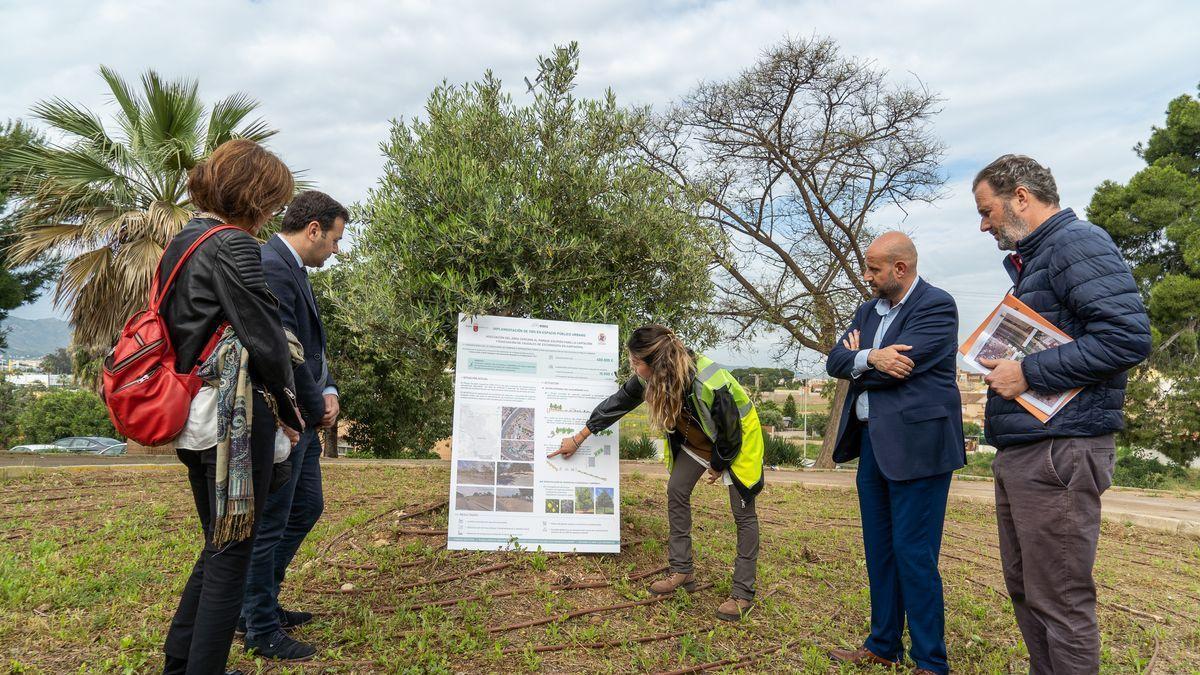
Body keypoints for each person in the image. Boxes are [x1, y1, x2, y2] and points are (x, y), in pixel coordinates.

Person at [972, 155, 1151, 674]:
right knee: (1028, 590)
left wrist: (1028, 372)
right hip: (1032, 449)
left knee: (1061, 601)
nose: (984, 225)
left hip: (1061, 451)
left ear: (1021, 196)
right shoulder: (1041, 260)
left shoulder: (1077, 244)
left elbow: (1127, 337)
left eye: (987, 211)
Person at [161, 139, 305, 675]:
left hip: (192, 413)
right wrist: (291, 417)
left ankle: (181, 663)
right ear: (255, 194)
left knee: (217, 547)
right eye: (273, 198)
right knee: (232, 557)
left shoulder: (184, 241)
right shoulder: (233, 246)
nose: (273, 210)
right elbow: (267, 340)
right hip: (233, 420)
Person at [550, 325, 764, 621]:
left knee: (743, 514)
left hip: (738, 438)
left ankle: (742, 593)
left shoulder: (706, 381)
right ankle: (682, 572)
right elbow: (620, 402)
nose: (633, 368)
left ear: (657, 362)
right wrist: (579, 437)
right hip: (699, 438)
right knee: (676, 489)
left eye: (636, 362)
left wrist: (718, 463)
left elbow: (730, 430)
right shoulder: (650, 377)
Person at [825, 231, 965, 675]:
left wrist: (861, 362)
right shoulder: (866, 311)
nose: (865, 277)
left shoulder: (936, 306)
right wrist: (873, 358)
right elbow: (834, 361)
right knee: (880, 551)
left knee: (914, 555)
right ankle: (883, 645)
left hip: (919, 450)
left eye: (873, 269)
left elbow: (904, 367)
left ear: (899, 269)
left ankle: (930, 661)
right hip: (872, 447)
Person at [240, 191, 347, 659]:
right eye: (336, 239)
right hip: (286, 418)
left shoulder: (292, 270)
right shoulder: (271, 267)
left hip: (304, 414)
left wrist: (331, 391)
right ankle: (257, 624)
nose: (337, 250)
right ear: (313, 229)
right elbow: (283, 352)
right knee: (270, 523)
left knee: (307, 506)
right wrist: (310, 404)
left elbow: (312, 347)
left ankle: (262, 602)